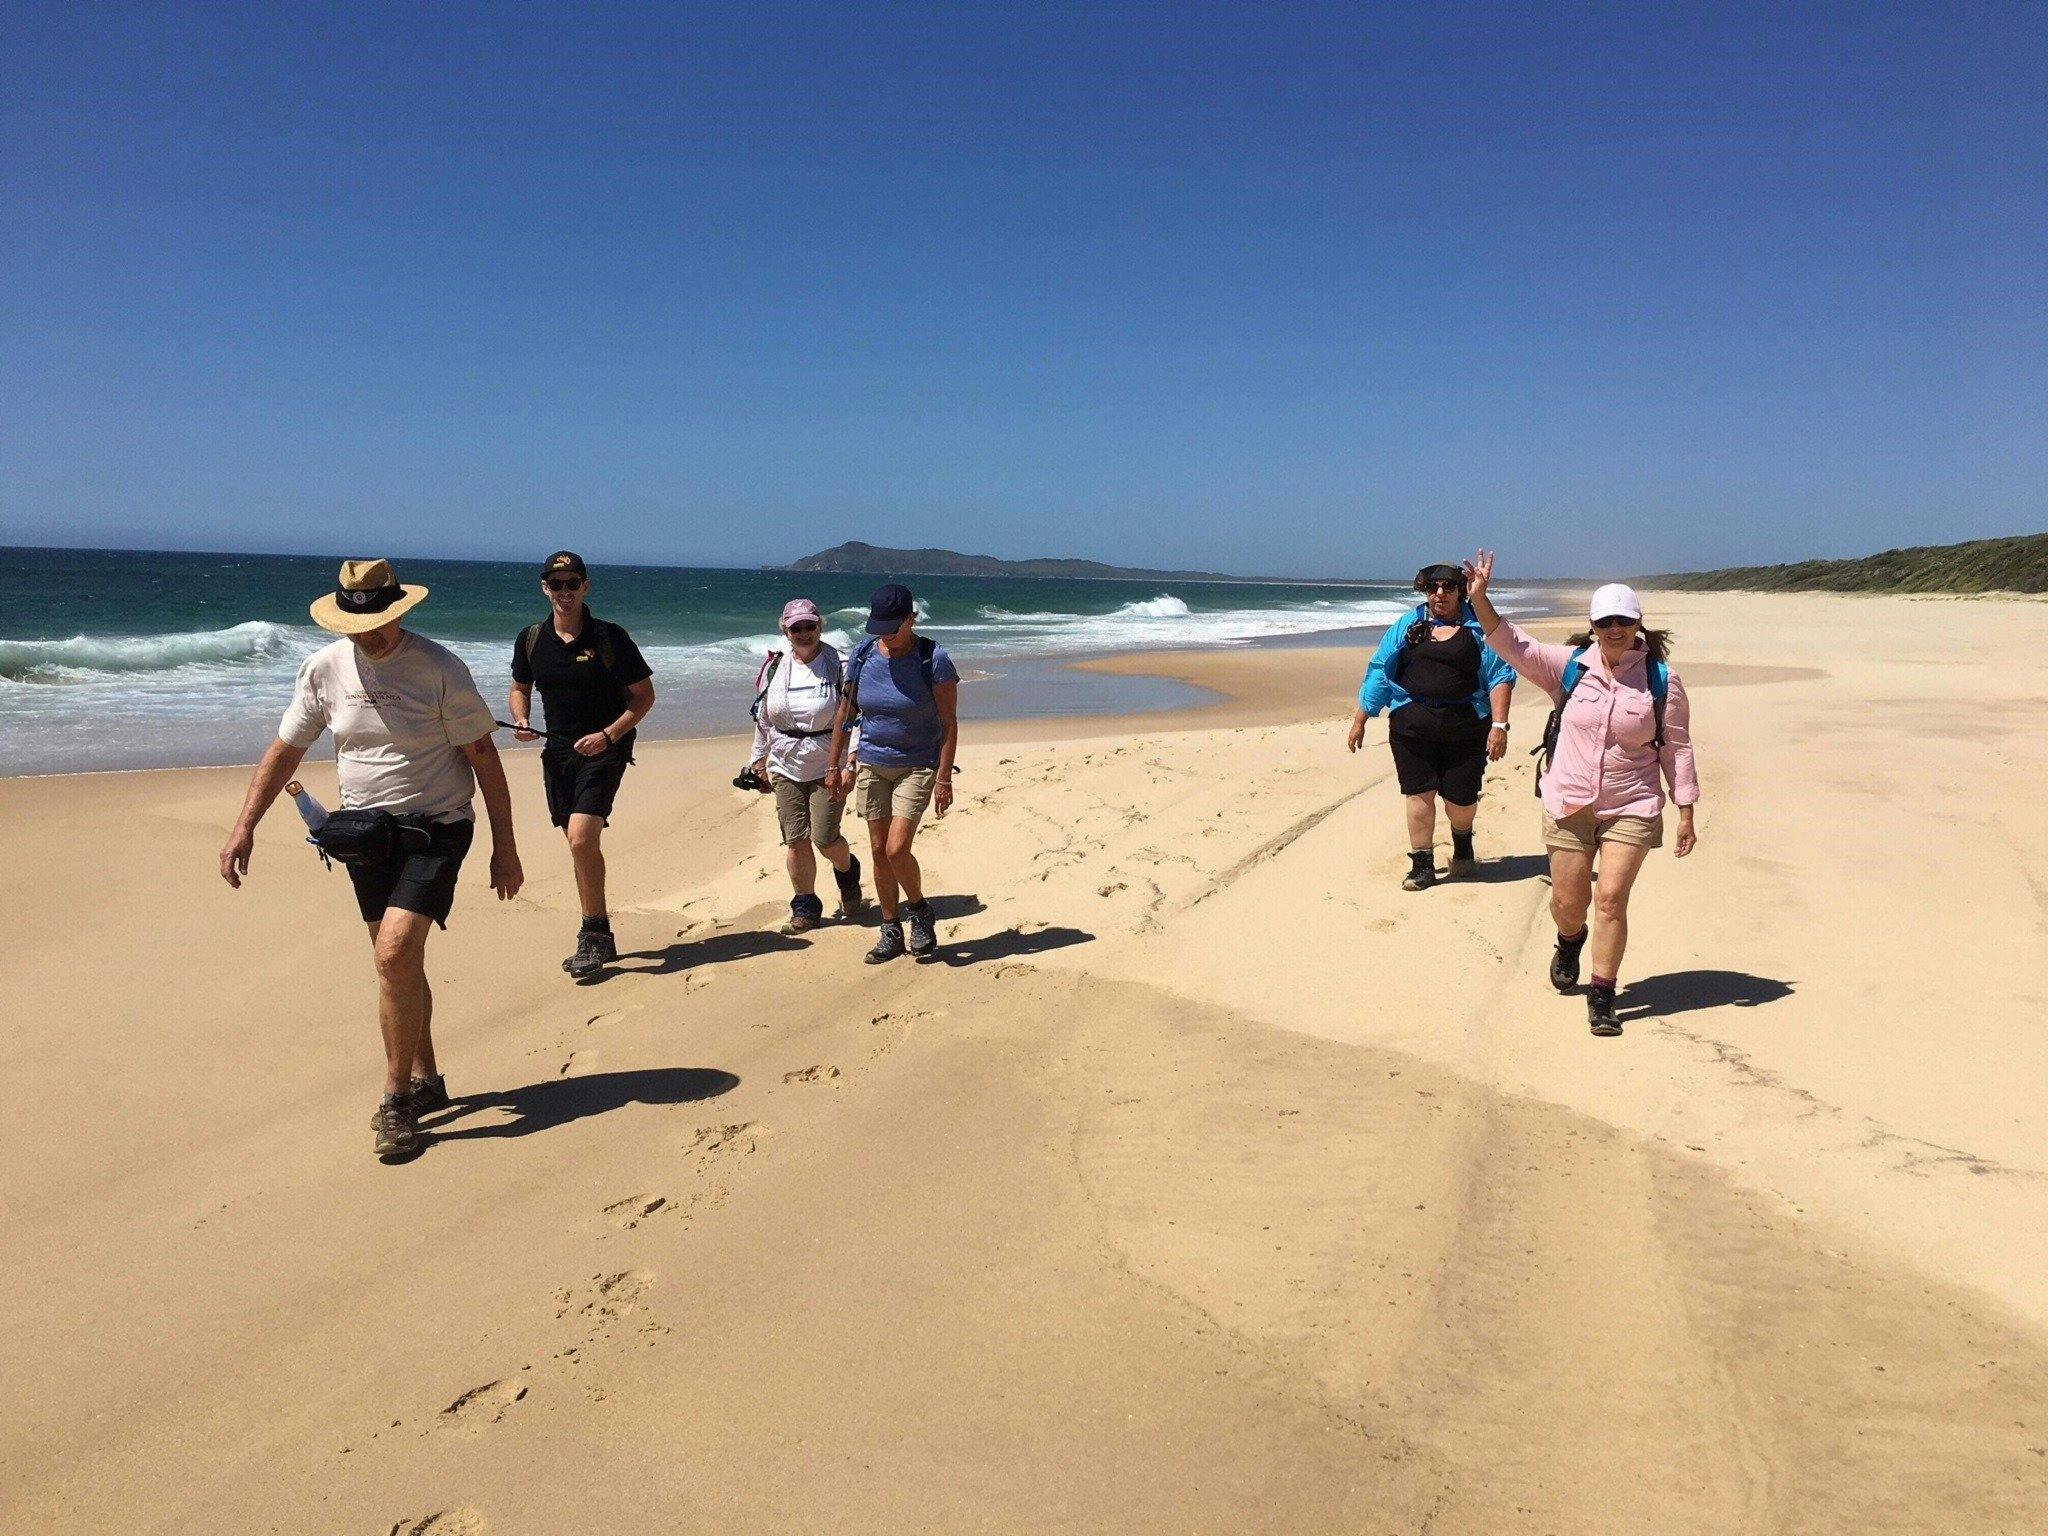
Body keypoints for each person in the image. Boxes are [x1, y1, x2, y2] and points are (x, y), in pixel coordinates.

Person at [218, 559, 523, 1160]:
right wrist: (243, 827)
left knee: (393, 951)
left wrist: (504, 848)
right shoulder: (323, 669)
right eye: (358, 625)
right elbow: (286, 749)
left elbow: (485, 758)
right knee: (397, 964)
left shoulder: (439, 668)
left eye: (381, 622)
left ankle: (394, 1099)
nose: (370, 634)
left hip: (437, 827)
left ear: (400, 611)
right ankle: (427, 1079)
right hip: (363, 837)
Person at [1463, 551, 1699, 1037]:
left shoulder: (1661, 680)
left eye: (1624, 620)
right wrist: (1480, 600)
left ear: (1639, 624)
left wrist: (1686, 810)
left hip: (1631, 802)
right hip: (1569, 801)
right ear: (1592, 625)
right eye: (1605, 621)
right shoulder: (1568, 667)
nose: (1615, 629)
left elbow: (1676, 745)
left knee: (1611, 897)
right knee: (1569, 903)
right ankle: (1570, 939)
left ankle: (1602, 993)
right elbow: (1512, 643)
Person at [508, 551, 656, 978]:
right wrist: (521, 719)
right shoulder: (532, 638)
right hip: (557, 752)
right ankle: (600, 931)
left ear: (586, 586)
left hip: (606, 748)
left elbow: (644, 696)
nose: (565, 591)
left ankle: (592, 932)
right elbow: (520, 687)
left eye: (573, 583)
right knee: (578, 843)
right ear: (545, 588)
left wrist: (610, 735)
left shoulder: (609, 637)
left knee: (580, 836)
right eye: (557, 584)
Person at [1348, 563, 1516, 889]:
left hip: (1466, 726)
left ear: (1460, 591)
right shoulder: (1408, 625)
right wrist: (1361, 718)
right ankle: (1422, 864)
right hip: (1412, 724)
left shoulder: (1479, 628)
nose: (1440, 593)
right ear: (1425, 590)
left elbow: (1500, 676)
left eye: (1448, 587)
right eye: (1432, 587)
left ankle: (1462, 838)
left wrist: (1499, 725)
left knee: (1461, 801)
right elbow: (1381, 669)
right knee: (1419, 793)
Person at [825, 583, 960, 963]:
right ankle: (890, 928)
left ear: (911, 619)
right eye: (879, 626)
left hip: (918, 764)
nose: (885, 634)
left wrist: (944, 779)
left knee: (897, 848)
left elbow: (949, 723)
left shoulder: (933, 658)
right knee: (877, 851)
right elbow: (846, 714)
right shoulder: (863, 654)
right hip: (871, 762)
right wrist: (834, 765)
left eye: (893, 627)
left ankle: (918, 910)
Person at [748, 598, 865, 933]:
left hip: (829, 760)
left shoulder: (840, 664)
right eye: (795, 627)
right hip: (784, 762)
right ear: (785, 629)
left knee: (826, 839)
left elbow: (855, 716)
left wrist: (851, 761)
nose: (803, 633)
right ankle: (806, 906)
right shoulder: (774, 667)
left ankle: (847, 872)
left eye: (809, 626)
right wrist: (758, 758)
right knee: (795, 838)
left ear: (820, 626)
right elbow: (763, 718)